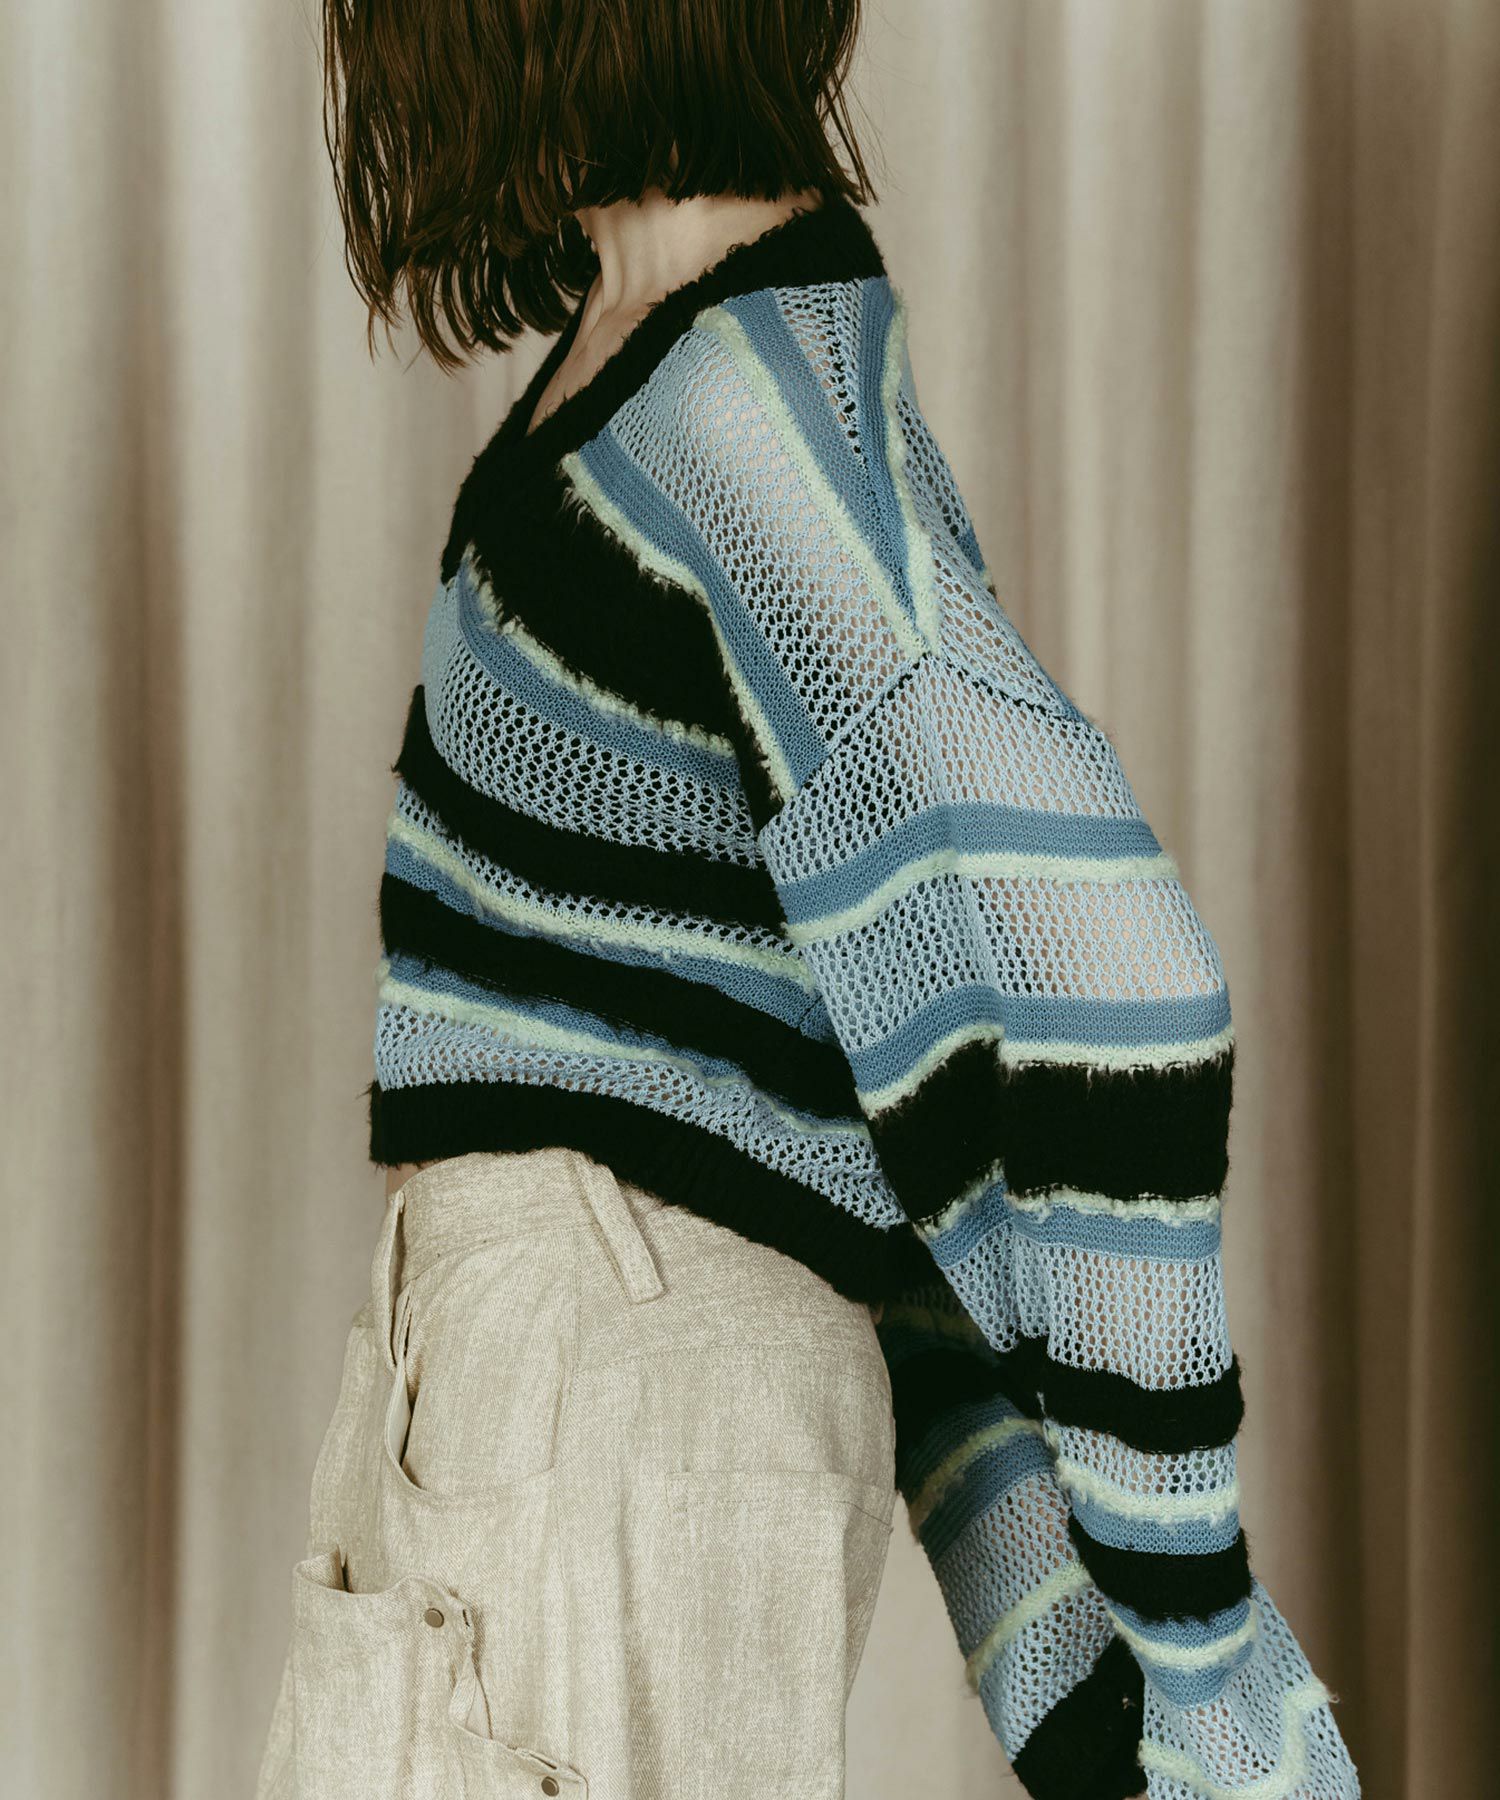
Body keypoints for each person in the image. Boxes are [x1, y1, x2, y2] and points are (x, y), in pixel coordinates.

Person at [254, 3, 1360, 1797]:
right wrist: (1080, 1674)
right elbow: (853, 1083)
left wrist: (1194, 1644)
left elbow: (1114, 978)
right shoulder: (656, 348)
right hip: (543, 1368)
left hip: (611, 1376)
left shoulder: (746, 399)